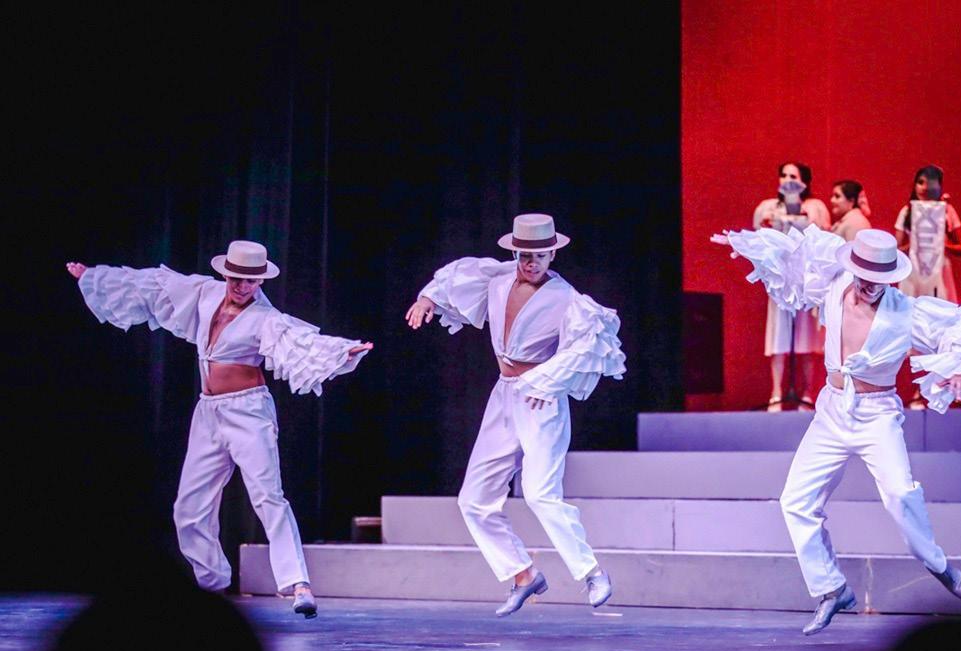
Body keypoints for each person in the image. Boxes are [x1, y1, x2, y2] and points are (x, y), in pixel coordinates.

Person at [718, 225, 961, 635]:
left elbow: (958, 332)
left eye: (879, 279)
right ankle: (831, 589)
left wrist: (960, 368)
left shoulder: (905, 312)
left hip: (877, 416)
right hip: (831, 411)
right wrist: (747, 244)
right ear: (853, 269)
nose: (870, 285)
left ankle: (939, 566)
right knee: (795, 501)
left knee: (900, 496)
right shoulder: (834, 284)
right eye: (865, 276)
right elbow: (790, 256)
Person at [67, 240, 372, 617]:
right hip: (207, 413)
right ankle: (211, 585)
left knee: (268, 497)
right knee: (188, 508)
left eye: (249, 280)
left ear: (260, 281)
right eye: (235, 278)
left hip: (248, 412)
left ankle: (298, 583)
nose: (241, 286)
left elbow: (300, 340)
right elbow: (153, 285)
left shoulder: (266, 318)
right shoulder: (204, 293)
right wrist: (96, 278)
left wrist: (340, 351)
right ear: (226, 275)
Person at [407, 214, 625, 617]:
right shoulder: (498, 278)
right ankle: (523, 575)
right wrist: (427, 300)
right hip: (504, 395)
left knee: (540, 493)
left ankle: (592, 572)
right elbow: (454, 282)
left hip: (541, 398)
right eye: (525, 255)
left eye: (539, 256)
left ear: (552, 254)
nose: (531, 263)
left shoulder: (567, 298)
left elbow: (587, 348)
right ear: (515, 253)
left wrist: (549, 381)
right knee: (473, 500)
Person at [752, 162, 831, 410]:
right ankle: (776, 392)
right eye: (784, 175)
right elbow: (759, 241)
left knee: (806, 338)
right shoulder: (768, 207)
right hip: (780, 281)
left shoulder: (815, 207)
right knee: (779, 336)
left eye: (793, 176)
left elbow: (823, 241)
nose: (788, 180)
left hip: (805, 282)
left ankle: (807, 392)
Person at [895, 165, 961, 302]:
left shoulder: (947, 211)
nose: (924, 188)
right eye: (920, 182)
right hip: (913, 271)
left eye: (929, 183)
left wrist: (941, 245)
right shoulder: (906, 212)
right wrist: (913, 245)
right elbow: (897, 250)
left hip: (939, 270)